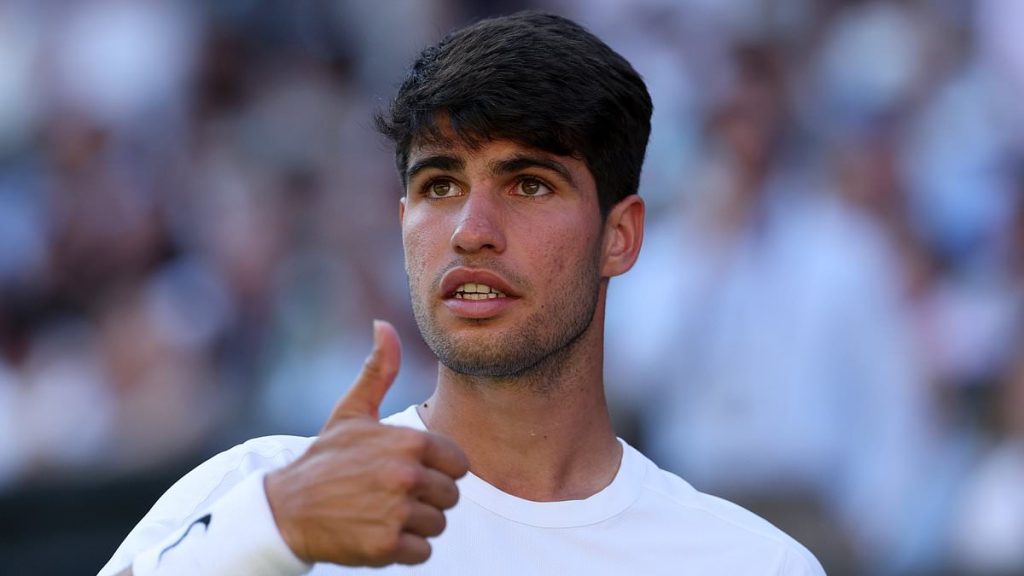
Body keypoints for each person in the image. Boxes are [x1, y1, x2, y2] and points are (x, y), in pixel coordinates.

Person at [99, 12, 825, 575]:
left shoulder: (752, 563)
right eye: (439, 186)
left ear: (621, 235)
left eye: (529, 184)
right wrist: (273, 532)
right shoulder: (260, 494)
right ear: (402, 222)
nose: (472, 231)